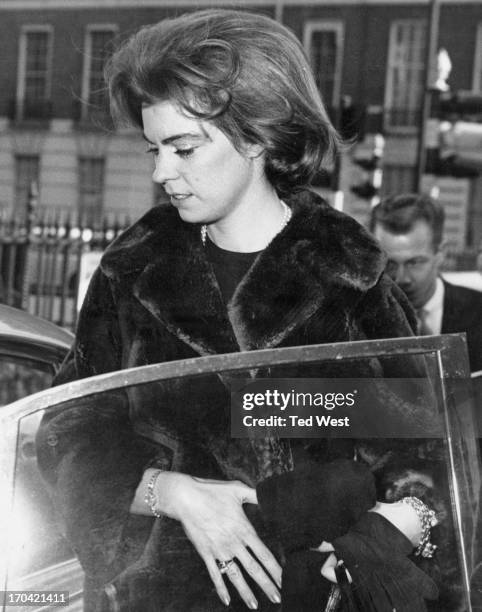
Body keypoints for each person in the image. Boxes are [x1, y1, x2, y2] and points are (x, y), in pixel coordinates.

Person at [36, 10, 442, 612]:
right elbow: (68, 437)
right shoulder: (131, 270)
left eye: (184, 147)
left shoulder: (349, 272)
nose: (160, 172)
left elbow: (427, 451)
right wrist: (169, 492)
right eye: (154, 149)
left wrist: (377, 540)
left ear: (255, 137)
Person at [369, 193, 482, 372]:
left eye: (414, 262)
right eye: (389, 264)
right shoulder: (356, 320)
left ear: (441, 252)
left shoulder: (478, 313)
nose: (401, 278)